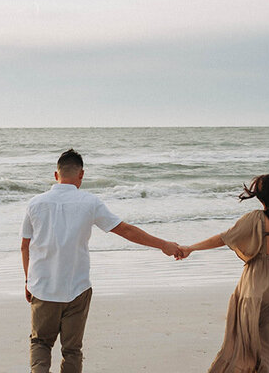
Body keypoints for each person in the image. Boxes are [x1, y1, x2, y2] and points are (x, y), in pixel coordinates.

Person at [21, 148, 183, 373]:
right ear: (81, 175)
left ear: (56, 175)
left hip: (42, 287)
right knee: (72, 350)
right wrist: (163, 245)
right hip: (76, 288)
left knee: (40, 343)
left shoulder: (35, 204)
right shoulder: (89, 202)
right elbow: (125, 230)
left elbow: (25, 246)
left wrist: (28, 280)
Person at [179, 174, 269, 373]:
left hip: (257, 293)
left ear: (261, 197)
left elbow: (224, 238)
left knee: (253, 354)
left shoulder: (256, 218)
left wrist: (191, 248)